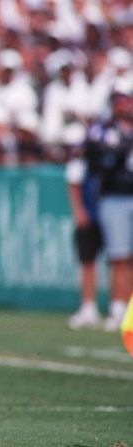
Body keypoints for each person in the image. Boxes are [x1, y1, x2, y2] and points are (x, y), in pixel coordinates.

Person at [84, 77, 133, 332]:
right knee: (119, 256)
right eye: (118, 99)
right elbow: (94, 156)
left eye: (125, 99)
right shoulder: (103, 128)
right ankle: (117, 308)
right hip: (115, 195)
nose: (122, 104)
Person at [64, 122, 103, 330]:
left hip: (106, 212)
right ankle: (88, 307)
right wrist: (79, 212)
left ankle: (120, 307)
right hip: (90, 215)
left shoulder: (102, 158)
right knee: (88, 261)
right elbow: (73, 186)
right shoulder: (78, 163)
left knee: (121, 260)